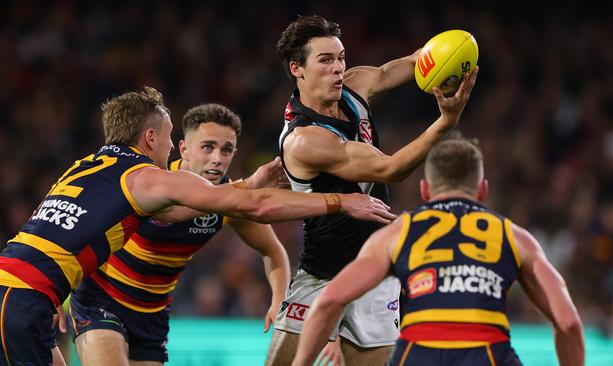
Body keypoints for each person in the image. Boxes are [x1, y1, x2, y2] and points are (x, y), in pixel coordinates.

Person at [0, 86, 395, 366]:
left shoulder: (90, 166)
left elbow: (171, 214)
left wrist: (54, 297)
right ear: (155, 139)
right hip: (76, 300)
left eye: (227, 149)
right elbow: (252, 205)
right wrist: (339, 201)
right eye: (173, 140)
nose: (171, 147)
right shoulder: (152, 179)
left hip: (73, 299)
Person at [267, 15, 478, 365]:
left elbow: (412, 63)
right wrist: (446, 123)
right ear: (297, 69)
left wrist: (454, 54)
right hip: (324, 274)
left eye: (341, 57)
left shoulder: (355, 85)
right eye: (325, 60)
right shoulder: (305, 139)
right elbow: (391, 168)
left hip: (376, 271)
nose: (338, 68)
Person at [292, 137, 586, 366]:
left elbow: (329, 301)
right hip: (489, 354)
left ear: (425, 190)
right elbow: (569, 322)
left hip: (419, 355)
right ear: (482, 190)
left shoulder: (397, 233)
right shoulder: (514, 236)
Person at [66, 103, 291, 365]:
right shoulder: (152, 178)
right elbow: (81, 229)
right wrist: (55, 291)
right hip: (102, 298)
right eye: (207, 147)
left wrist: (279, 300)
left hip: (152, 314)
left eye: (226, 150)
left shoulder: (231, 201)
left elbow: (273, 251)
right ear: (183, 149)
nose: (217, 158)